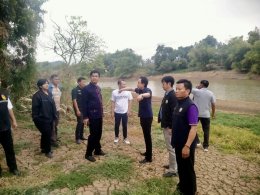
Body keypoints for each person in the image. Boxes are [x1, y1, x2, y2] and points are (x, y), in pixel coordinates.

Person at [172, 79, 198, 195]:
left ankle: (191, 191)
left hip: (185, 144)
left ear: (187, 91)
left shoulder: (191, 106)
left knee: (188, 169)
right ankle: (182, 186)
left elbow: (193, 128)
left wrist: (187, 146)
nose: (176, 91)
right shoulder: (179, 103)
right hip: (178, 143)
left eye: (179, 89)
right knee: (181, 168)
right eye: (176, 89)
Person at [120, 76, 153, 163]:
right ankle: (147, 152)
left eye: (138, 82)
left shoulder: (146, 90)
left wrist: (141, 95)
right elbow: (131, 88)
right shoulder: (140, 90)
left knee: (147, 136)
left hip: (147, 117)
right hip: (143, 116)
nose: (137, 84)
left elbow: (148, 94)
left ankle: (149, 157)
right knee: (146, 135)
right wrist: (123, 89)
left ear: (143, 84)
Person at [82, 70, 105, 162]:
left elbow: (99, 101)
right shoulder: (86, 89)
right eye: (93, 76)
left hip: (99, 114)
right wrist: (85, 117)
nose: (94, 77)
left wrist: (102, 112)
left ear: (98, 78)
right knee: (93, 135)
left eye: (96, 76)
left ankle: (97, 150)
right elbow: (84, 104)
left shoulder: (98, 88)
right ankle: (88, 154)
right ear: (90, 77)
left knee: (99, 133)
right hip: (92, 115)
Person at [158, 76, 178, 177]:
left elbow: (173, 113)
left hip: (169, 127)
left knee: (171, 148)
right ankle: (172, 164)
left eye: (163, 83)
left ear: (169, 84)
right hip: (166, 125)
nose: (162, 85)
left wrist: (171, 127)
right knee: (170, 147)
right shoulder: (167, 94)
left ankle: (173, 170)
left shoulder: (172, 96)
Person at [32, 79, 57, 158]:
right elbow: (35, 109)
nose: (47, 85)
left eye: (47, 83)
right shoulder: (37, 95)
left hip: (50, 118)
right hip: (41, 119)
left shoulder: (49, 93)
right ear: (40, 86)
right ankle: (48, 151)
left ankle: (43, 148)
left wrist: (54, 115)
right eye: (45, 84)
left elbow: (52, 105)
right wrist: (37, 118)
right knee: (47, 134)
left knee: (45, 133)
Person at [0, 82, 20, 176]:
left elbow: (9, 108)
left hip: (5, 127)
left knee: (9, 149)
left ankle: (13, 168)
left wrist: (14, 120)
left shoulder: (4, 93)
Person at [191, 80, 216, 152]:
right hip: (206, 115)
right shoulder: (211, 93)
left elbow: (188, 88)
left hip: (196, 114)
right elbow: (213, 104)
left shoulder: (196, 91)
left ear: (201, 84)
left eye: (200, 84)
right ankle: (206, 147)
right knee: (206, 130)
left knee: (192, 128)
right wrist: (213, 114)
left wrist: (197, 87)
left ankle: (197, 142)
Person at [111, 79, 133, 144]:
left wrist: (129, 110)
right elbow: (112, 102)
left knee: (125, 125)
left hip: (125, 112)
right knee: (116, 125)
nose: (125, 85)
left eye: (125, 84)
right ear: (119, 84)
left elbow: (130, 100)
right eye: (123, 84)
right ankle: (116, 137)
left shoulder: (128, 92)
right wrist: (112, 112)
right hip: (117, 112)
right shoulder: (114, 92)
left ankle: (125, 138)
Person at [71, 77, 87, 144]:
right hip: (78, 108)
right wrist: (77, 110)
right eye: (83, 82)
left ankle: (81, 136)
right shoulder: (75, 90)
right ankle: (77, 138)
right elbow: (74, 101)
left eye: (84, 82)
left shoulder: (84, 90)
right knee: (80, 122)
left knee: (83, 122)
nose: (84, 83)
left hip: (84, 108)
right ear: (79, 82)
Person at [48, 74, 62, 147]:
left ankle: (55, 137)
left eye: (58, 79)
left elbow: (59, 98)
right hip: (51, 110)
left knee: (56, 124)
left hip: (57, 109)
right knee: (52, 125)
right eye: (55, 79)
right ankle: (52, 141)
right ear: (51, 80)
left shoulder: (58, 87)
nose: (57, 80)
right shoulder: (49, 88)